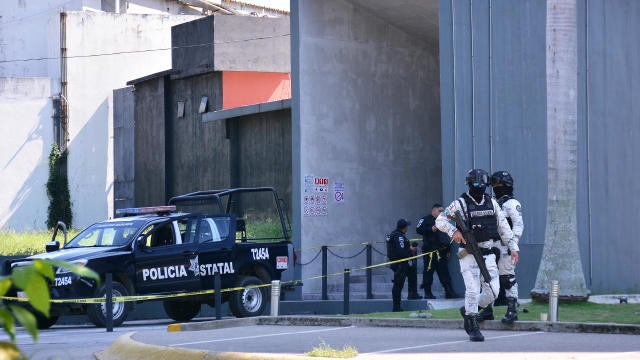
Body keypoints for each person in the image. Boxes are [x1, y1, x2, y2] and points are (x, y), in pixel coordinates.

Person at [436, 168, 514, 342]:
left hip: (488, 254)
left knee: (493, 292)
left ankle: (469, 309)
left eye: (482, 184)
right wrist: (454, 231)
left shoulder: (492, 203)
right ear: (470, 184)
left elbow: (503, 226)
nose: (479, 187)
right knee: (471, 290)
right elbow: (440, 220)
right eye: (476, 184)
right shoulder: (460, 204)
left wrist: (513, 247)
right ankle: (471, 323)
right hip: (469, 254)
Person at [490, 170, 523, 324]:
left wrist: (513, 245)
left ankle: (512, 310)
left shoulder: (512, 204)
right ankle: (487, 310)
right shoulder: (491, 202)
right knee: (487, 278)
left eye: (499, 185)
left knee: (507, 278)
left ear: (507, 185)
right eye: (495, 185)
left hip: (505, 245)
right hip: (490, 245)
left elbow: (518, 226)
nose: (497, 188)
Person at [416, 203, 459, 299]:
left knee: (444, 272)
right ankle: (428, 293)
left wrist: (448, 250)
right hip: (430, 252)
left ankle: (449, 292)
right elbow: (418, 229)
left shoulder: (443, 221)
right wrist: (431, 229)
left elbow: (447, 236)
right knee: (428, 272)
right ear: (433, 210)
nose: (441, 212)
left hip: (442, 252)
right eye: (439, 211)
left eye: (442, 211)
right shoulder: (425, 219)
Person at [386, 218, 418, 311]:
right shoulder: (399, 236)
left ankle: (413, 294)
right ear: (404, 227)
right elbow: (401, 252)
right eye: (407, 226)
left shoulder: (394, 234)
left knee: (412, 272)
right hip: (400, 263)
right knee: (398, 285)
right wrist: (410, 249)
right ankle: (396, 307)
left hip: (399, 262)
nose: (408, 228)